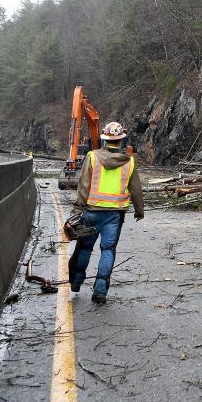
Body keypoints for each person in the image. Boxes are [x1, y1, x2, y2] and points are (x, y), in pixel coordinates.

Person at [68, 121, 144, 304]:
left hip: (92, 212)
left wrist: (76, 210)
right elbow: (136, 189)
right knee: (108, 250)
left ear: (104, 139)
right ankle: (100, 292)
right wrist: (139, 211)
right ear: (121, 141)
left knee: (85, 247)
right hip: (114, 216)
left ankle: (76, 283)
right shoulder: (129, 162)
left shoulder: (92, 157)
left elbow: (83, 186)